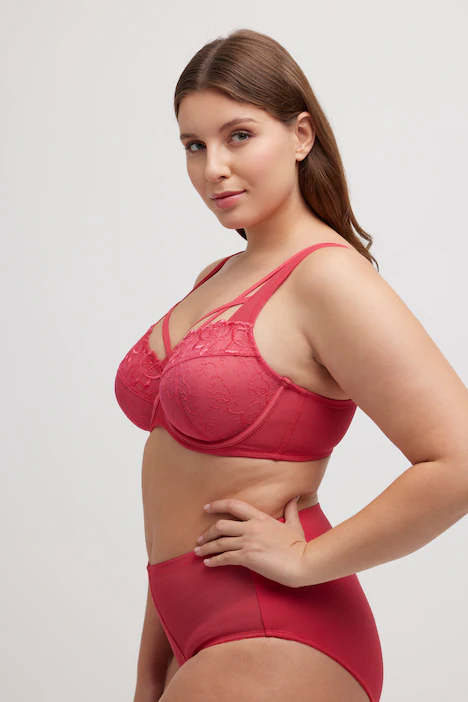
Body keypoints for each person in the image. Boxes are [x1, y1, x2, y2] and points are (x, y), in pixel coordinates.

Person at [115, 28, 468, 702]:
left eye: (238, 136)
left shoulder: (327, 277)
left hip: (277, 629)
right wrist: (150, 669)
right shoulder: (216, 276)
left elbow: (460, 459)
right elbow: (179, 496)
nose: (213, 168)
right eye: (194, 145)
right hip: (192, 632)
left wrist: (308, 559)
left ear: (301, 135)